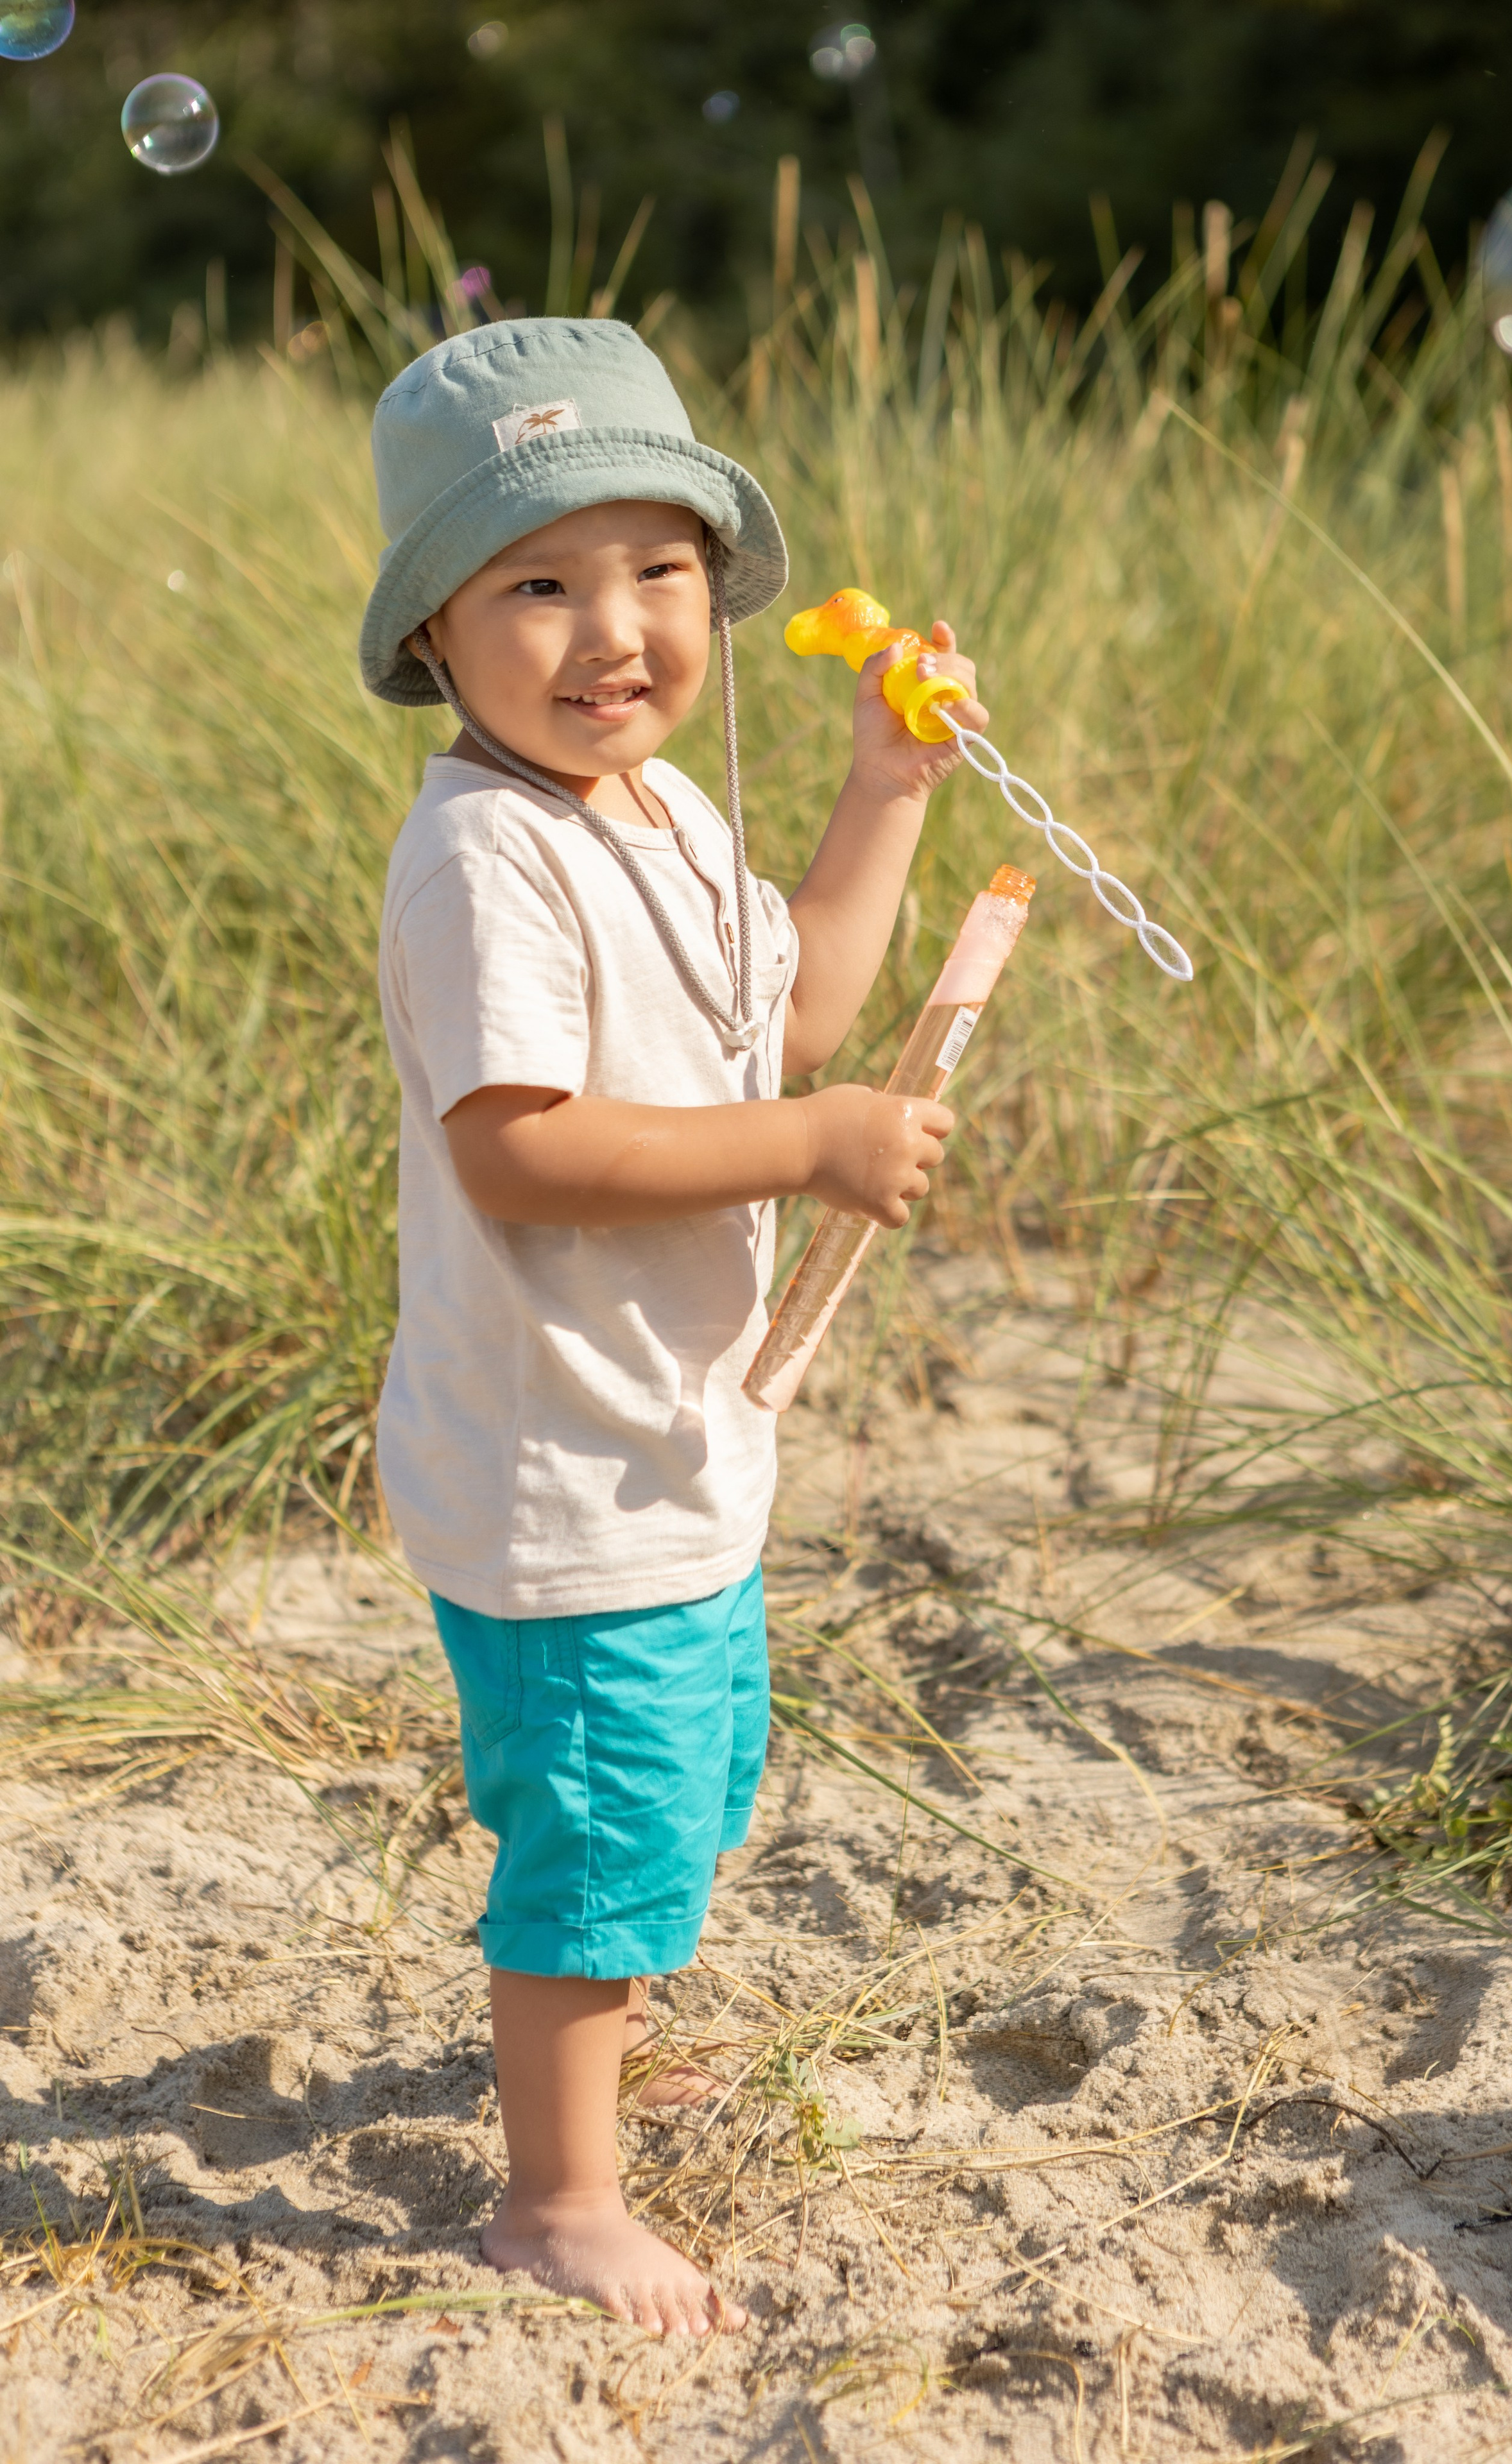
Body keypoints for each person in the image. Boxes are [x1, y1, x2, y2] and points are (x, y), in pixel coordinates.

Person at [360, 318, 986, 2338]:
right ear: (438, 642)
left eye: (656, 569)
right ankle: (557, 2196)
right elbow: (525, 1154)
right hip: (558, 1460)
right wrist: (808, 1147)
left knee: (692, 1786)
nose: (609, 625)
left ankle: (603, 2061)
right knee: (601, 1825)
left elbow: (784, 1013)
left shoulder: (649, 807)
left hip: (671, 1439)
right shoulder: (487, 856)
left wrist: (886, 786)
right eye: (536, 582)